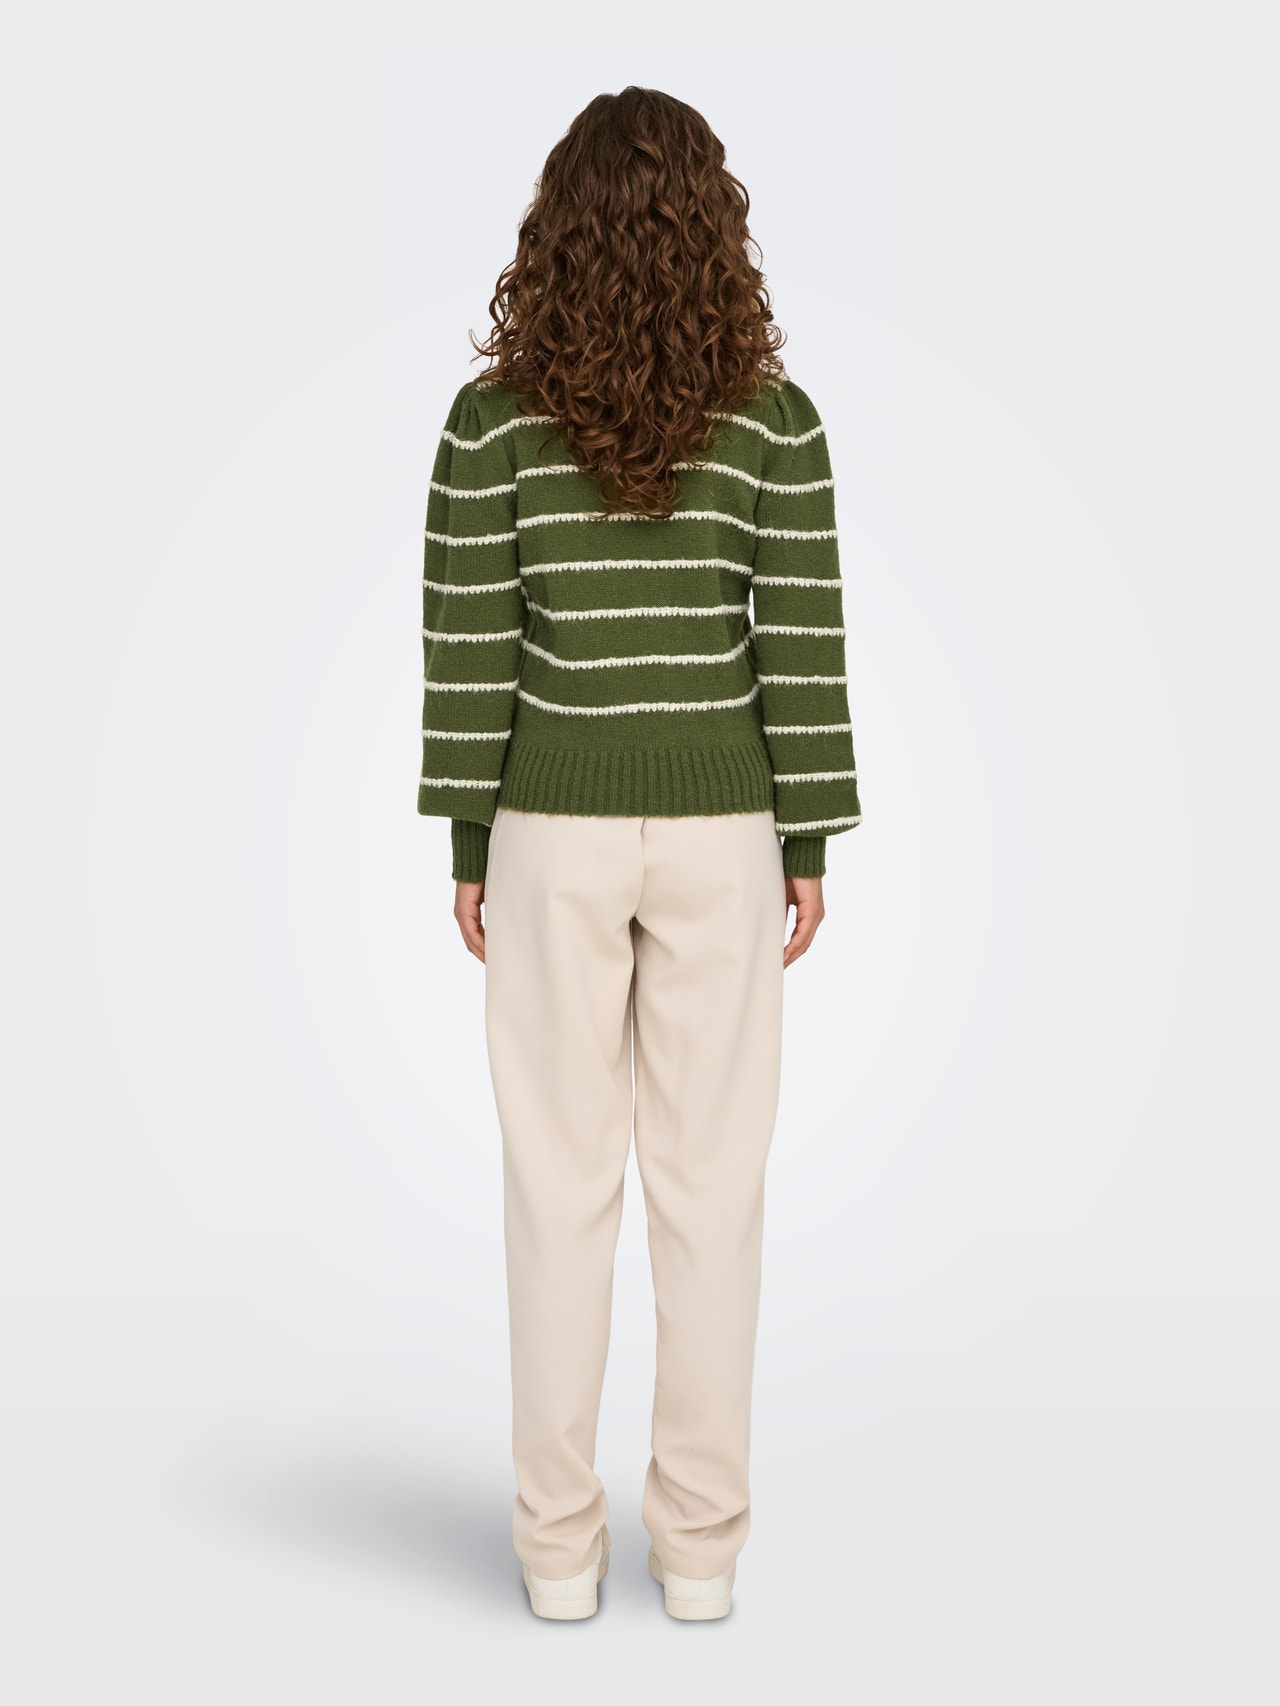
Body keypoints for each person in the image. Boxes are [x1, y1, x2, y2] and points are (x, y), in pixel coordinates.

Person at [416, 86, 862, 1622]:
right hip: (726, 835)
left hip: (551, 830)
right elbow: (799, 646)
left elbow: (471, 646)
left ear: (554, 234)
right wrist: (807, 835)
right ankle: (701, 1556)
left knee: (557, 1192)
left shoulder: (492, 427)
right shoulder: (775, 425)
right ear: (717, 233)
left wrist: (471, 836)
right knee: (711, 1194)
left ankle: (557, 1553)